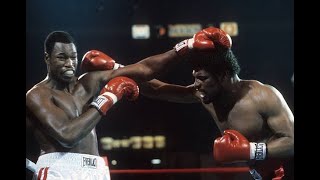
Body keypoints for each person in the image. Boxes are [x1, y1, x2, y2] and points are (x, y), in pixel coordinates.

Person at [26, 29, 221, 179]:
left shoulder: (88, 82)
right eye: (62, 57)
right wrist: (108, 98)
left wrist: (184, 47)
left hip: (96, 169)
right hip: (59, 169)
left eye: (73, 57)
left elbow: (143, 69)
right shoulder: (37, 95)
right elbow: (67, 135)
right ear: (47, 58)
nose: (69, 63)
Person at [138, 27, 294, 179]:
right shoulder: (205, 95)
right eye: (195, 78)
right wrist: (119, 72)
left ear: (223, 75)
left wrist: (251, 151)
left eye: (203, 78)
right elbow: (157, 89)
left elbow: (292, 141)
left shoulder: (262, 96)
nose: (197, 84)